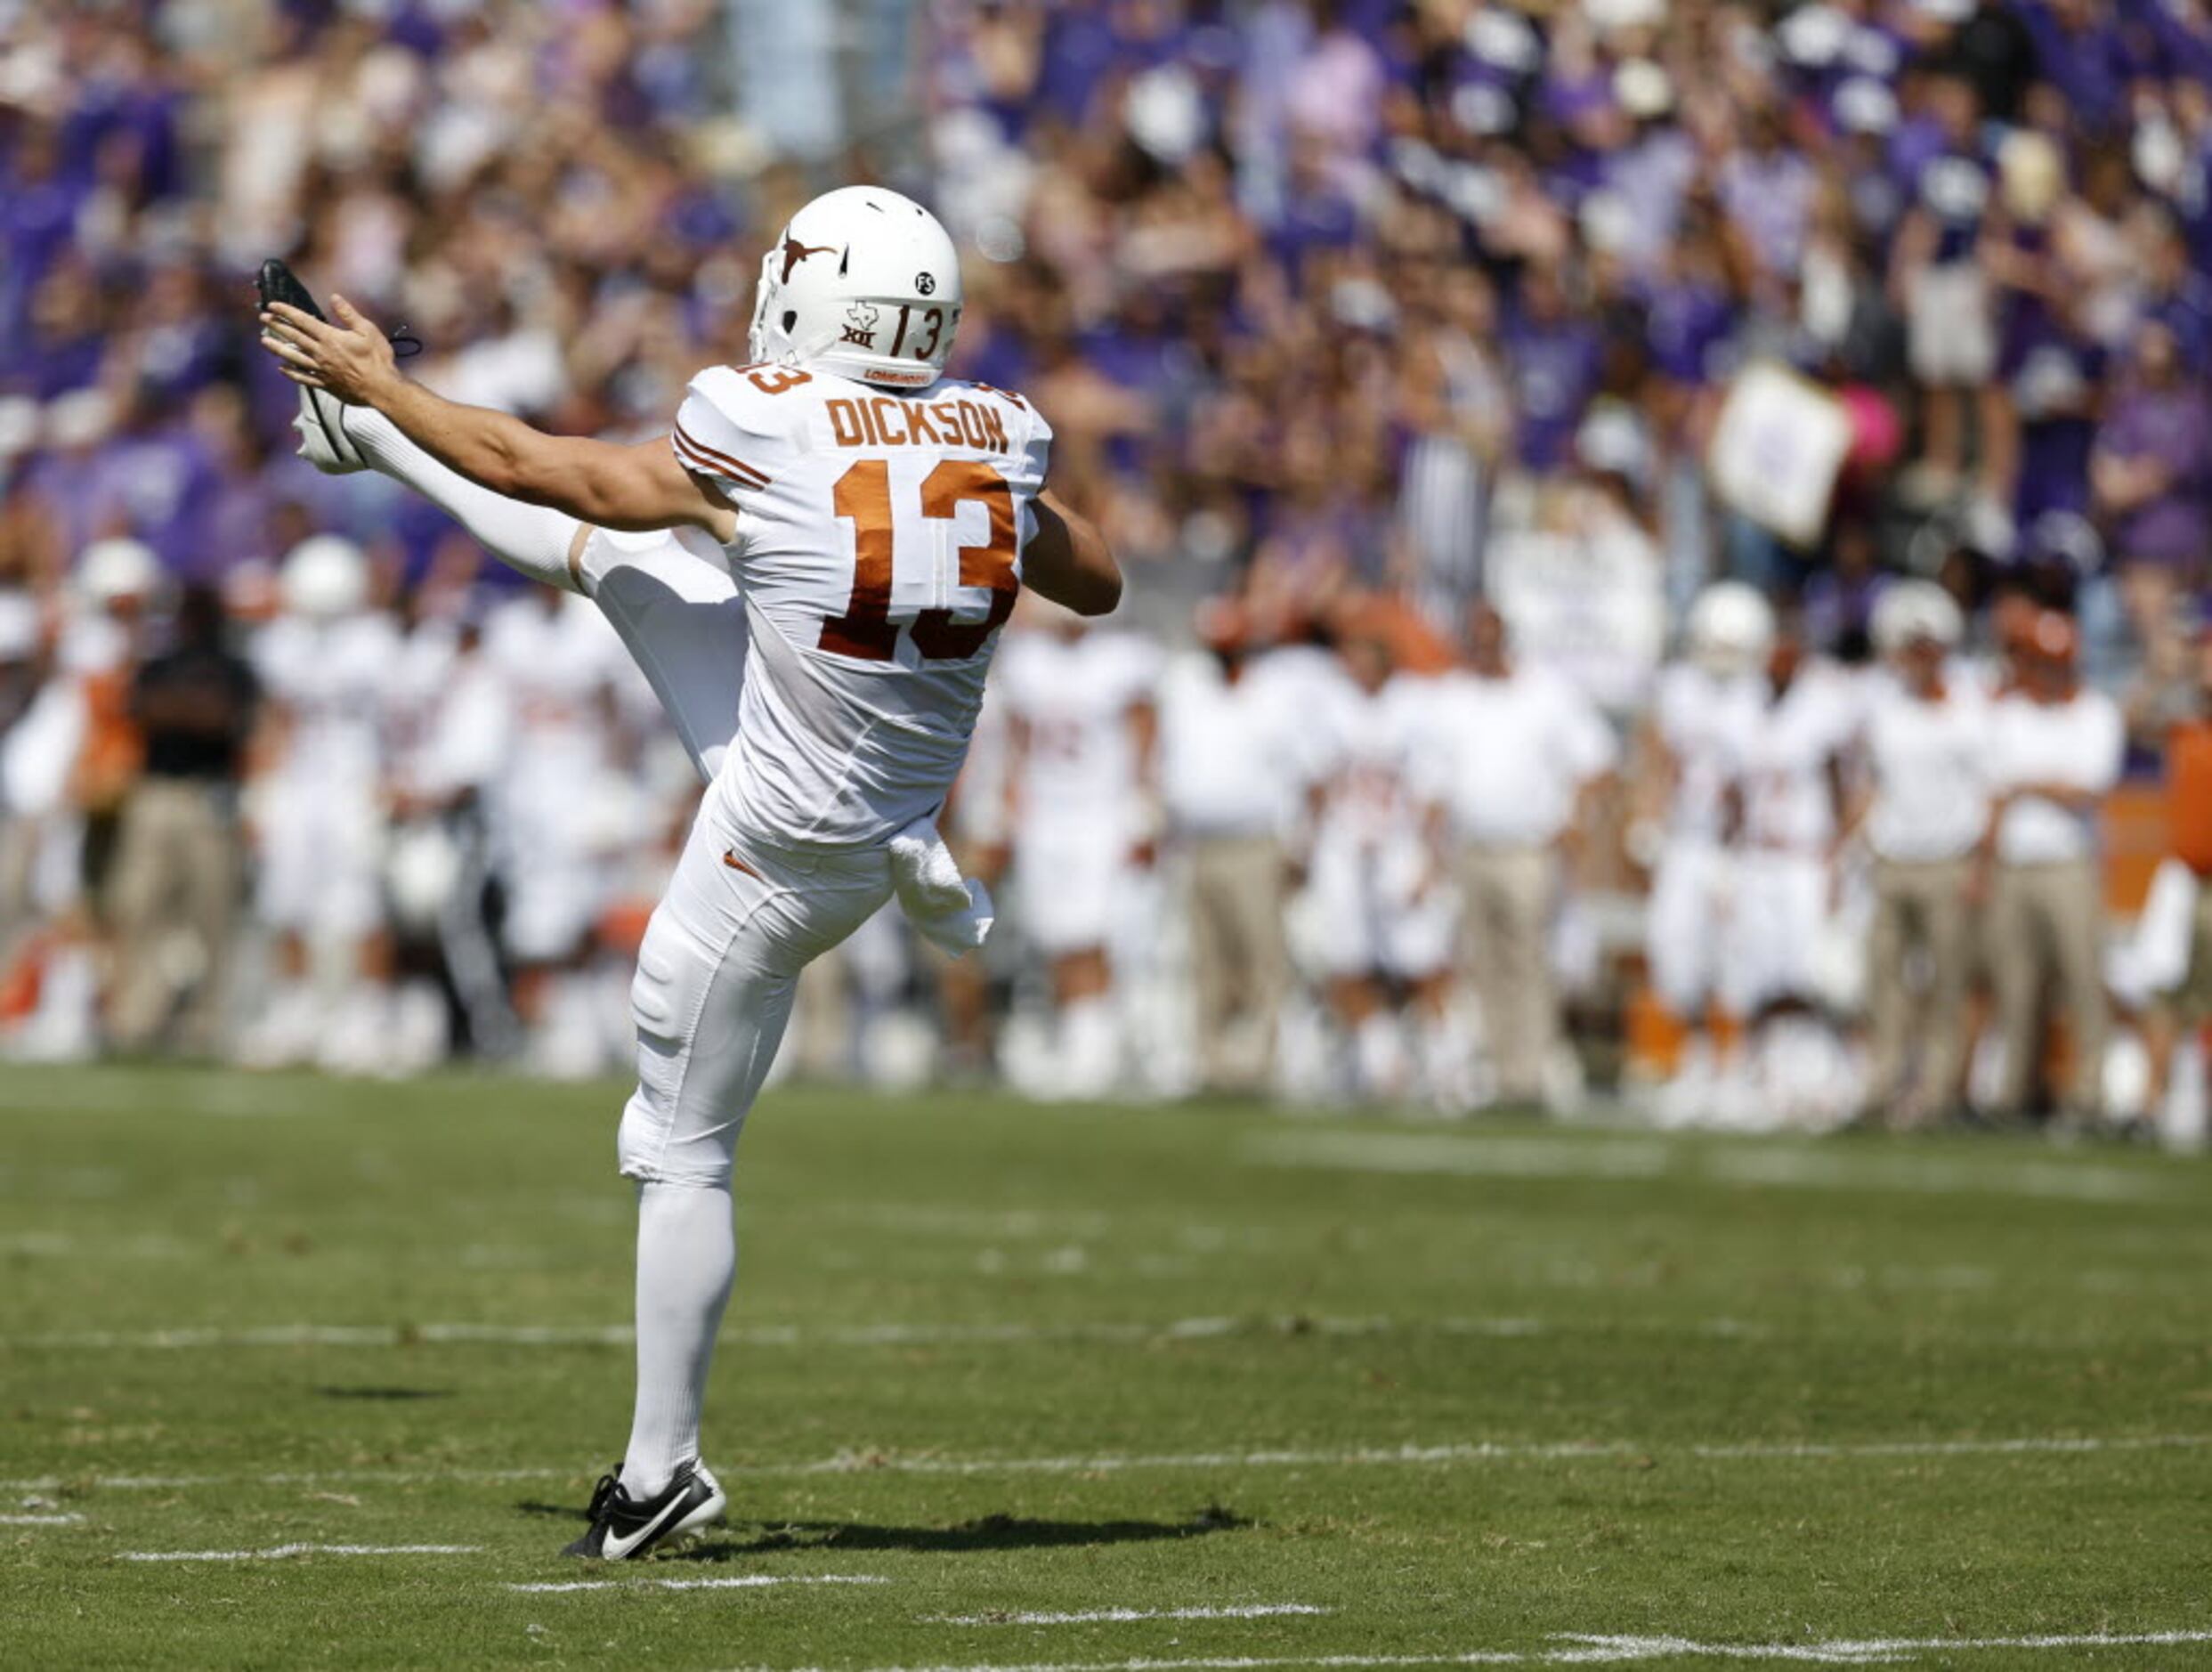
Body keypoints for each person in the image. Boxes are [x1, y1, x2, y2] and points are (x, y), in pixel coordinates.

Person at [258, 185, 1121, 1559]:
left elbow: (551, 465)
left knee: (678, 1144)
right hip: (854, 782)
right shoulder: (1000, 432)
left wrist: (388, 375)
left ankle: (662, 1467)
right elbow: (1102, 581)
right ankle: (363, 440)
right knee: (620, 561)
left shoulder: (771, 420)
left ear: (811, 296)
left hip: (783, 838)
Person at [1418, 602, 1614, 1109]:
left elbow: (1595, 764)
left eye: (1490, 637)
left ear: (1506, 639)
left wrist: (1576, 825)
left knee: (1527, 960)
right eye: (1475, 639)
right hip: (1472, 848)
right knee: (1481, 963)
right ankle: (1497, 1068)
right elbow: (1434, 786)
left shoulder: (1545, 694)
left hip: (1528, 849)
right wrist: (1430, 856)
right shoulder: (1454, 698)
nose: (1482, 648)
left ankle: (1529, 1073)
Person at [994, 606, 1162, 1100]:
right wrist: (1010, 793)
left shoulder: (1121, 658)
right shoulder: (1028, 659)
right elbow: (1019, 736)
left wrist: (1143, 801)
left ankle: (1095, 1045)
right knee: (1054, 930)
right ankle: (1077, 1034)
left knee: (1092, 930)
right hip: (1047, 811)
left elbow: (1145, 731)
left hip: (1099, 811)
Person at [1843, 582, 1989, 1128]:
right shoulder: (1885, 709)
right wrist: (1847, 849)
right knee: (1883, 977)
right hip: (1892, 857)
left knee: (1946, 983)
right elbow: (1867, 787)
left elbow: (1989, 793)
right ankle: (1880, 1086)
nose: (1915, 660)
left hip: (1948, 859)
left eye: (1924, 649)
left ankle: (1935, 1093)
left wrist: (1980, 864)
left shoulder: (1970, 709)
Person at [1977, 612, 2124, 1125]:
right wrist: (1984, 863)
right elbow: (1997, 793)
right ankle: (2014, 1094)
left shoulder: (2096, 714)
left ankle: (2089, 1095)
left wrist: (2030, 785)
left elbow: (2085, 789)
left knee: (2083, 980)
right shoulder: (2010, 714)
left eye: (2056, 664)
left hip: (2069, 865)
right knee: (2016, 985)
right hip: (2015, 865)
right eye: (2040, 664)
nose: (2047, 674)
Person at [104, 582, 259, 1055]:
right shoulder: (160, 663)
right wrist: (190, 709)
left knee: (211, 910)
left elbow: (222, 721)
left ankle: (204, 1024)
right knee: (137, 903)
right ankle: (134, 1018)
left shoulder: (234, 667)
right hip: (157, 792)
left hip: (208, 795)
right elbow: (144, 712)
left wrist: (182, 709)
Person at [1156, 598, 1300, 1095]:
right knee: (1208, 958)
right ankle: (1212, 1062)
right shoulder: (1192, 693)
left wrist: (1296, 844)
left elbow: (1295, 774)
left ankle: (1260, 1062)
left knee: (1259, 957)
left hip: (1254, 844)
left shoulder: (1270, 697)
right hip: (1201, 843)